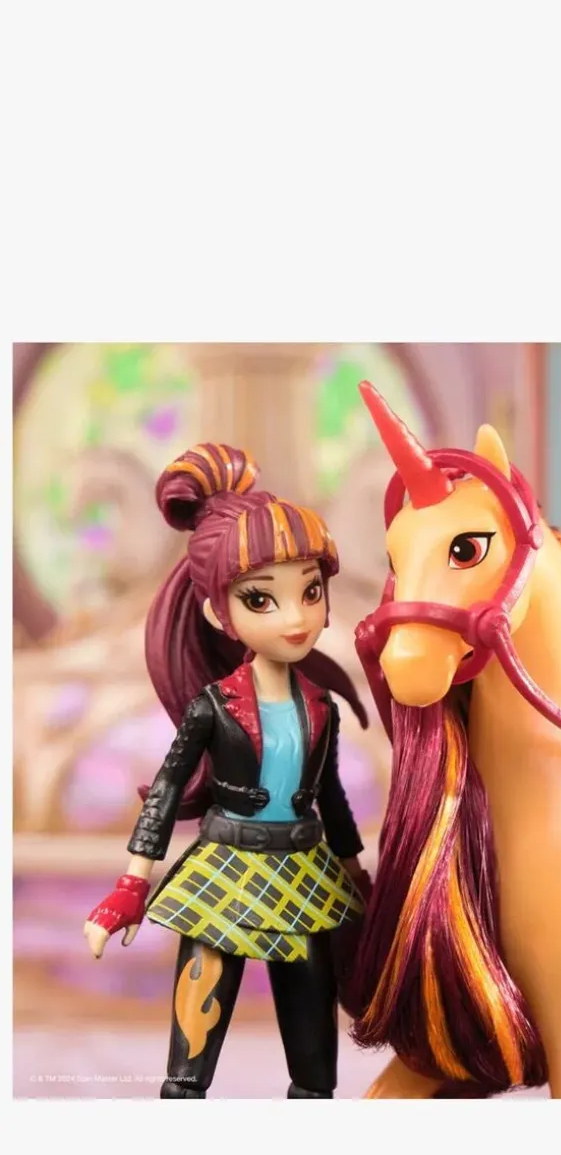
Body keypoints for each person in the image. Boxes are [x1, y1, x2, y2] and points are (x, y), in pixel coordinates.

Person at [83, 442, 371, 1099]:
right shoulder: (214, 706)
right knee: (189, 1068)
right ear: (220, 611)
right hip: (225, 874)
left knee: (315, 1071)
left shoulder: (320, 705)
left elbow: (330, 797)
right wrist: (130, 886)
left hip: (304, 875)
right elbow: (165, 787)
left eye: (310, 591)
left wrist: (358, 876)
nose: (296, 617)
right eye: (262, 599)